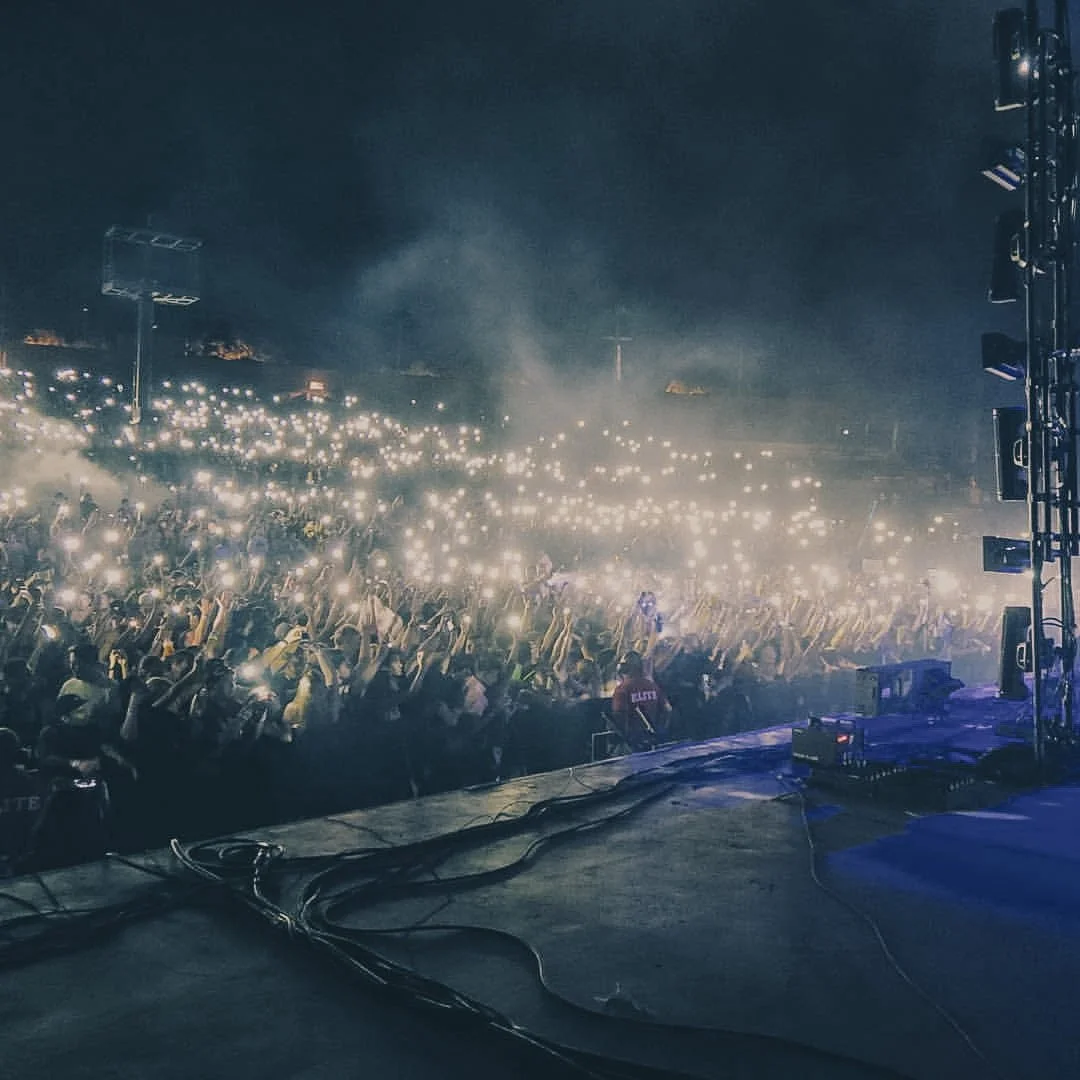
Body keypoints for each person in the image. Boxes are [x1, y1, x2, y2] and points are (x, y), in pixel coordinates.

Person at [610, 651, 671, 752]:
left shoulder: (622, 689)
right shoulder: (652, 685)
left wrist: (628, 740)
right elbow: (668, 710)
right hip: (653, 742)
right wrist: (660, 732)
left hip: (632, 746)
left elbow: (619, 717)